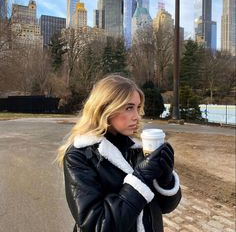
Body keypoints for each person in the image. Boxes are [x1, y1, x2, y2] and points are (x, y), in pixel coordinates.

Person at [57, 74, 181, 232]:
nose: (137, 116)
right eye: (129, 108)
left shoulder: (138, 149)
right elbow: (97, 225)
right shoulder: (79, 156)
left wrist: (166, 180)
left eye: (137, 107)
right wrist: (140, 179)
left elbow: (164, 207)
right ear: (105, 109)